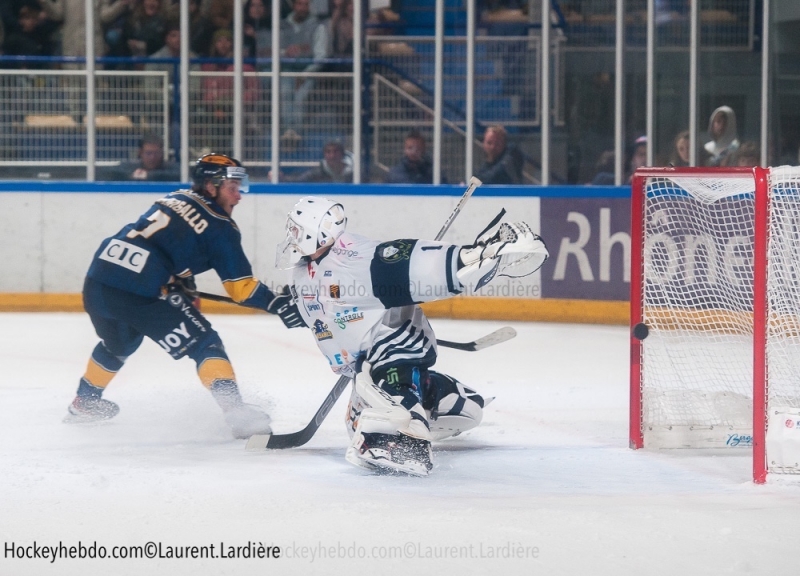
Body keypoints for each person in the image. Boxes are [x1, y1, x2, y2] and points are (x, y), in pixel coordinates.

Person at [274, 196, 549, 475]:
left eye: (296, 229)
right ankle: (433, 392)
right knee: (364, 421)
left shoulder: (355, 260)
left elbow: (411, 263)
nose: (291, 236)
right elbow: (321, 301)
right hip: (367, 354)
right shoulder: (305, 270)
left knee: (379, 393)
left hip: (391, 346)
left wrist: (474, 254)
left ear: (318, 233)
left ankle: (410, 438)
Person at [65, 154, 304, 438]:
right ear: (211, 185)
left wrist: (180, 279)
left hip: (98, 281)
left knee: (120, 342)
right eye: (232, 187)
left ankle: (85, 401)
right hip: (139, 292)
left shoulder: (176, 197)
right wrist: (275, 302)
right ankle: (236, 412)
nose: (239, 196)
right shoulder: (221, 228)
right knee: (206, 344)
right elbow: (242, 289)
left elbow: (164, 242)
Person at [279, 0, 330, 138]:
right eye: (300, 4)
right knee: (285, 92)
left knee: (300, 98)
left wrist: (305, 74)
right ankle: (288, 131)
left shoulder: (318, 27)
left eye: (306, 4)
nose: (303, 8)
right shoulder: (282, 25)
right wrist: (285, 53)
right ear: (294, 6)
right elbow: (275, 51)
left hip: (309, 72)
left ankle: (297, 132)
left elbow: (321, 56)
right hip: (286, 71)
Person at [105, 133, 180, 181]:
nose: (152, 157)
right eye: (148, 153)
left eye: (157, 153)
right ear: (140, 153)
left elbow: (180, 175)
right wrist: (131, 175)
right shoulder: (131, 167)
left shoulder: (170, 168)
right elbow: (111, 173)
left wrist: (150, 176)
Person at [272, 140, 354, 182]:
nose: (332, 156)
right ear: (324, 155)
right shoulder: (317, 173)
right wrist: (282, 178)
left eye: (335, 152)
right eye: (328, 152)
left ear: (342, 154)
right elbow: (299, 180)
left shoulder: (352, 174)